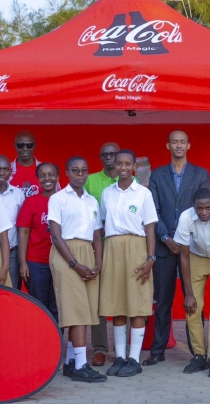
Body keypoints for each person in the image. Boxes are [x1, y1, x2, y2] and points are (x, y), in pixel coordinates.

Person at [147, 130, 210, 366]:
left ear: (188, 145)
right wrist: (165, 236)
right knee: (162, 300)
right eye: (174, 142)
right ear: (168, 146)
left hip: (191, 246)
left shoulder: (200, 174)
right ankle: (158, 351)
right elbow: (152, 210)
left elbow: (203, 209)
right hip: (165, 246)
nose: (178, 145)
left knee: (192, 300)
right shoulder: (157, 174)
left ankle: (198, 352)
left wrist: (183, 239)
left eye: (182, 141)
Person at [98, 149, 159, 378]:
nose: (123, 167)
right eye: (119, 163)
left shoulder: (143, 194)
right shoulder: (107, 193)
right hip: (113, 248)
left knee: (137, 304)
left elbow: (150, 228)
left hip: (136, 248)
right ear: (114, 164)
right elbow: (104, 224)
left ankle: (135, 358)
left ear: (134, 166)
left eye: (127, 163)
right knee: (117, 304)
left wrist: (150, 258)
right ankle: (121, 357)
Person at [48, 156, 106, 383]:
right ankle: (82, 365)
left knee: (87, 310)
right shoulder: (58, 198)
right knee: (76, 310)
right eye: (75, 170)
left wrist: (98, 262)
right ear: (67, 172)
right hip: (66, 254)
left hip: (87, 254)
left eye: (83, 171)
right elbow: (55, 234)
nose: (80, 174)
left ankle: (72, 362)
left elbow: (97, 235)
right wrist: (74, 264)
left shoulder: (92, 201)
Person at [175, 188, 210, 376]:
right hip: (195, 257)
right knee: (192, 308)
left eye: (208, 208)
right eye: (199, 209)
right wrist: (189, 293)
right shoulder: (185, 217)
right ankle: (199, 356)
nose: (204, 212)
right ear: (194, 207)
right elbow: (183, 257)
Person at [83, 141, 121, 365]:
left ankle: (122, 347)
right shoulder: (91, 181)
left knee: (120, 296)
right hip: (95, 245)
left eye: (113, 154)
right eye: (105, 154)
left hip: (120, 246)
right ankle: (99, 348)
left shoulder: (131, 180)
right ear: (100, 157)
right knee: (97, 299)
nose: (109, 158)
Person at [18, 163, 61, 323]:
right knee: (39, 305)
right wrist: (23, 262)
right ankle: (41, 344)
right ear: (38, 178)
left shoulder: (64, 200)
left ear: (57, 177)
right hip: (36, 263)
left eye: (51, 174)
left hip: (60, 260)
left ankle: (57, 345)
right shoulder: (31, 202)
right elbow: (23, 232)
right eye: (42, 175)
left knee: (57, 305)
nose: (47, 178)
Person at [0, 155, 27, 289]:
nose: (2, 173)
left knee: (12, 291)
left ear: (10, 172)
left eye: (5, 169)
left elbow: (23, 227)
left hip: (12, 253)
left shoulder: (18, 194)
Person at [9, 130, 46, 197]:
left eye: (29, 145)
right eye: (20, 145)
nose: (25, 149)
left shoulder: (46, 169)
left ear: (34, 146)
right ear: (15, 146)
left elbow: (56, 195)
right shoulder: (6, 170)